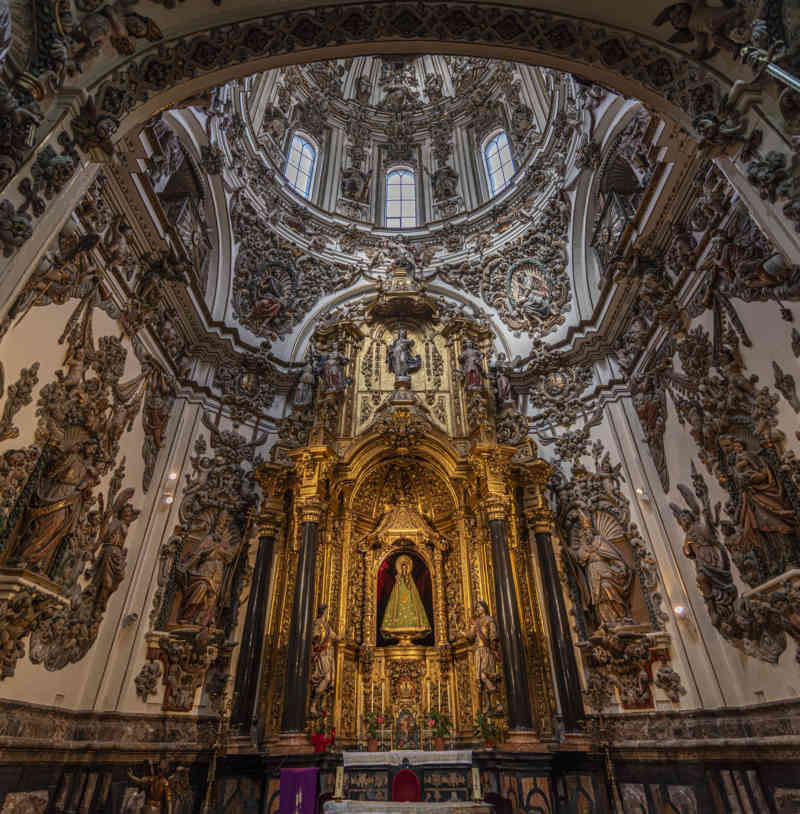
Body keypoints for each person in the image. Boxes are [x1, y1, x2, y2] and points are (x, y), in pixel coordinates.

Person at [461, 601, 502, 714]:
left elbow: (493, 635)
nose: (478, 609)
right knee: (480, 680)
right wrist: (463, 633)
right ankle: (489, 705)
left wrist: (494, 646)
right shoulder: (477, 623)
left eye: (479, 607)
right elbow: (471, 635)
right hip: (478, 652)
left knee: (485, 676)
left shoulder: (489, 620)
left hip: (486, 651)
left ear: (484, 608)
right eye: (477, 607)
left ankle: (498, 702)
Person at [380, 555, 431, 643]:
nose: (403, 570)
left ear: (407, 568)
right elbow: (395, 593)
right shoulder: (398, 579)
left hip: (409, 598)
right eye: (402, 568)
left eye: (405, 568)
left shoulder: (409, 580)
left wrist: (407, 581)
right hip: (400, 597)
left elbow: (412, 589)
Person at [310, 604, 341, 717]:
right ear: (323, 611)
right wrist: (318, 640)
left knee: (328, 678)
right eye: (327, 611)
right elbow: (315, 636)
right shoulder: (318, 623)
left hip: (328, 653)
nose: (327, 613)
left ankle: (318, 704)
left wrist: (342, 638)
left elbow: (334, 635)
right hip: (322, 653)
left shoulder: (326, 625)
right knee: (326, 677)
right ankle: (313, 704)